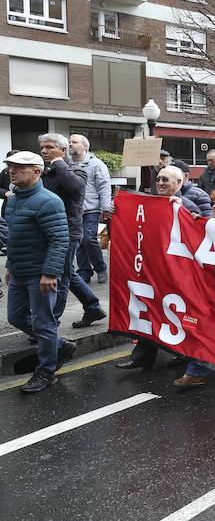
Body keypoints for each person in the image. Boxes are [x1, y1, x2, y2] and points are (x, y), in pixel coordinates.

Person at [116, 166, 200, 371]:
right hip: (152, 268)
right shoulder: (148, 203)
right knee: (148, 310)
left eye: (166, 180)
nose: (160, 183)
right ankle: (142, 357)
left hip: (176, 272)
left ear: (179, 183)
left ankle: (184, 354)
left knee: (177, 315)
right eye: (159, 179)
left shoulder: (186, 205)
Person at [4, 151, 73, 393]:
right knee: (15, 317)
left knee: (44, 325)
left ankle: (46, 372)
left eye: (19, 168)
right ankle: (60, 346)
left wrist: (51, 273)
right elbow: (13, 238)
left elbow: (59, 239)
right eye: (10, 166)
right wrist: (10, 267)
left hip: (40, 274)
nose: (12, 170)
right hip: (20, 271)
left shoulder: (49, 200)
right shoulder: (13, 200)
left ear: (37, 172)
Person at [173, 189, 215, 389]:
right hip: (209, 288)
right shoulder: (208, 224)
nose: (213, 207)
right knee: (205, 326)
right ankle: (195, 372)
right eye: (213, 203)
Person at [38, 134, 107, 329]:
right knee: (68, 272)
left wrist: (59, 163)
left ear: (63, 150)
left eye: (50, 147)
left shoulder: (76, 169)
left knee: (61, 278)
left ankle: (51, 323)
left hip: (68, 233)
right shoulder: (46, 171)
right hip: (49, 232)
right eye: (42, 147)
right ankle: (92, 306)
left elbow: (75, 188)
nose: (44, 151)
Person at [68, 134, 112, 285]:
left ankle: (100, 268)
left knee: (88, 238)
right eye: (69, 142)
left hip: (91, 209)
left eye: (74, 142)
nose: (70, 144)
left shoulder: (96, 164)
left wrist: (106, 206)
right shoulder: (67, 164)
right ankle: (84, 271)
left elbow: (104, 186)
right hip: (74, 210)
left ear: (85, 146)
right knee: (79, 241)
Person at [0, 149, 18, 217]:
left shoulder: (28, 172)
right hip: (8, 206)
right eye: (9, 164)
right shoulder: (5, 172)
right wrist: (5, 193)